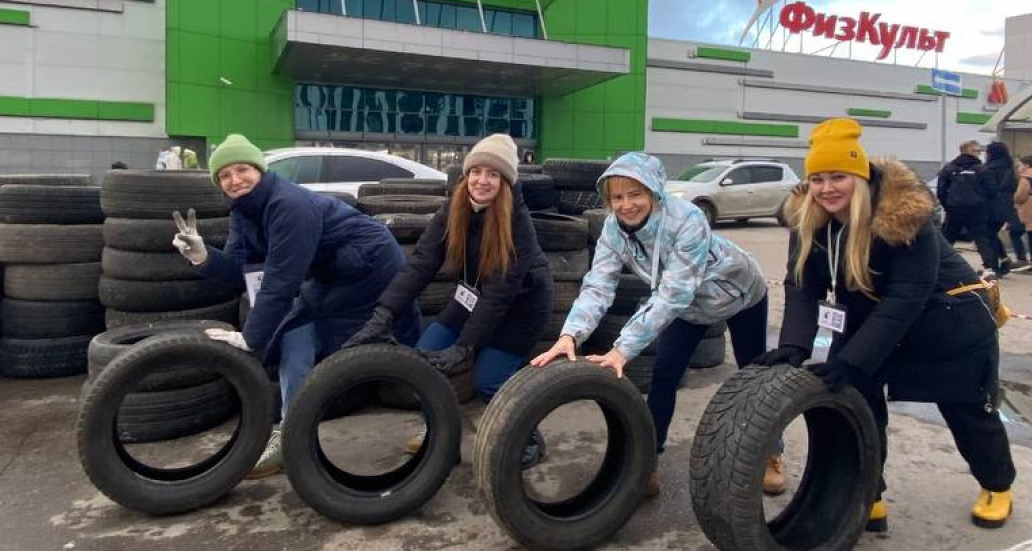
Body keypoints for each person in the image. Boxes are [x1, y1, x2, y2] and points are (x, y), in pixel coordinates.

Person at [756, 118, 1015, 531]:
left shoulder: (905, 217)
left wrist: (854, 360)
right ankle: (867, 494)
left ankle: (997, 485)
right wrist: (796, 345)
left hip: (947, 323)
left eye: (838, 176)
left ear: (859, 176)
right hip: (870, 322)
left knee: (967, 411)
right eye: (818, 178)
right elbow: (802, 285)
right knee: (860, 408)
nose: (827, 189)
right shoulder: (810, 216)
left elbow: (907, 296)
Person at [172, 133, 421, 478]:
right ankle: (292, 435)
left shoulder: (288, 205)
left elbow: (281, 283)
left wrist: (251, 337)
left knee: (375, 339)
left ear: (259, 170)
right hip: (334, 271)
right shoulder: (244, 212)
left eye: (242, 169)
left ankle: (434, 421)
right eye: (224, 175)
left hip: (370, 265)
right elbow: (241, 272)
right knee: (294, 332)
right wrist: (203, 258)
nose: (234, 180)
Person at [532, 152, 771, 498]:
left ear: (654, 192)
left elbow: (674, 292)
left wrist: (621, 349)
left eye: (635, 194)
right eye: (617, 197)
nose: (626, 205)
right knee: (663, 375)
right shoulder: (613, 230)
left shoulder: (689, 219)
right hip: (690, 310)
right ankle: (647, 463)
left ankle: (771, 451)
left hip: (740, 294)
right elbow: (598, 285)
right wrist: (571, 334)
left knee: (755, 376)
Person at [344, 134, 554, 468]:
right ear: (466, 174)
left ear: (505, 182)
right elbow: (422, 261)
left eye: (493, 174)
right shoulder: (454, 206)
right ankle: (442, 438)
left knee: (488, 381)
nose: (482, 180)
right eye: (476, 171)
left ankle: (530, 439)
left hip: (521, 306)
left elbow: (501, 289)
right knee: (423, 362)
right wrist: (382, 314)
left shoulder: (517, 221)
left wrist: (466, 346)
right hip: (470, 296)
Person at [978, 141, 1025, 276]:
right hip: (1005, 209)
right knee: (992, 235)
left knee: (987, 237)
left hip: (990, 208)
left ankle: (992, 267)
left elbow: (987, 189)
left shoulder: (989, 169)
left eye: (987, 152)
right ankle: (1003, 261)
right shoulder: (1010, 169)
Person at [935, 141, 985, 247]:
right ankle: (991, 263)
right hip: (975, 209)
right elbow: (989, 188)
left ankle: (939, 262)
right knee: (982, 241)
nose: (979, 153)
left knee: (946, 240)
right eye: (978, 151)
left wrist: (947, 205)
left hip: (954, 208)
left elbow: (941, 189)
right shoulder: (980, 168)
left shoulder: (949, 167)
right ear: (969, 151)